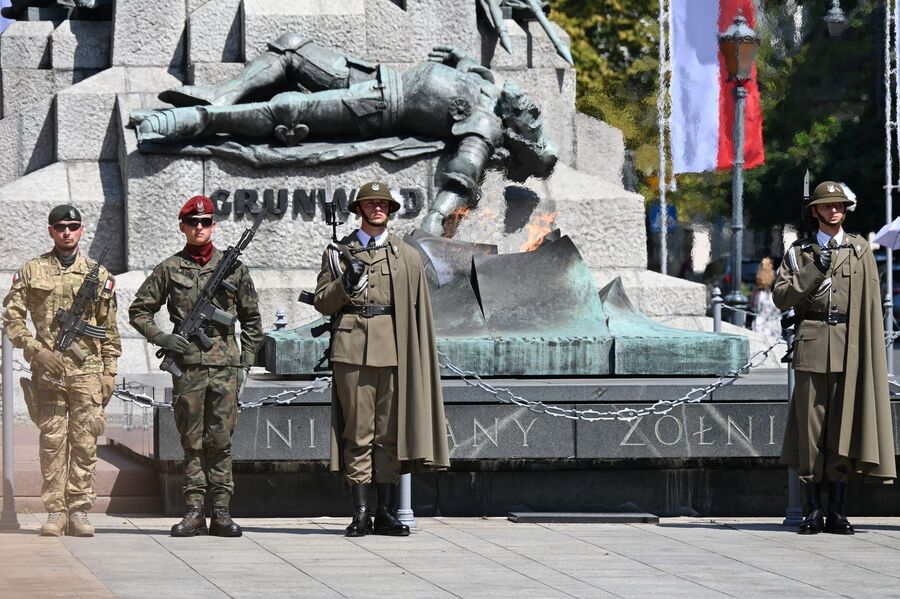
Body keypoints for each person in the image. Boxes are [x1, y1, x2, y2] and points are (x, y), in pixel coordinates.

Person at [133, 37, 557, 236]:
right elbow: (470, 65)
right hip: (372, 75)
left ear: (518, 136)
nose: (526, 103)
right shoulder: (488, 87)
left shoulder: (486, 125)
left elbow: (461, 180)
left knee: (287, 110)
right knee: (292, 48)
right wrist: (460, 55)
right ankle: (221, 94)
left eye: (532, 117)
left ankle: (190, 120)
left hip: (375, 109)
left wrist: (431, 226)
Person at [314, 181, 449, 537]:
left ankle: (386, 511)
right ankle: (360, 512)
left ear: (390, 210)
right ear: (359, 209)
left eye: (383, 204)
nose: (377, 209)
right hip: (353, 349)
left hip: (394, 349)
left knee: (389, 434)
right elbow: (322, 301)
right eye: (370, 204)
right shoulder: (338, 251)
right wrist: (346, 283)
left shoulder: (407, 255)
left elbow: (417, 311)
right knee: (358, 433)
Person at [129, 195, 264, 537]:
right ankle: (193, 511)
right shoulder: (170, 268)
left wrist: (245, 363)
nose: (199, 228)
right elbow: (139, 310)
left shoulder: (234, 268)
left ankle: (220, 512)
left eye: (205, 223)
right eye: (193, 223)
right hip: (188, 367)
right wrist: (162, 338)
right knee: (191, 440)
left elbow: (251, 320)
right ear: (183, 227)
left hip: (225, 368)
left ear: (214, 226)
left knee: (221, 439)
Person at [774, 180, 896, 535]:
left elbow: (870, 306)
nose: (834, 211)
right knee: (811, 432)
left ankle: (838, 510)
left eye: (839, 206)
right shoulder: (800, 253)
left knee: (844, 427)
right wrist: (814, 270)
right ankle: (812, 510)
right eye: (827, 206)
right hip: (812, 345)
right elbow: (782, 297)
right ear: (815, 211)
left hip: (850, 348)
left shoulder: (859, 251)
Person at [1, 205, 121, 537]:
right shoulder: (31, 270)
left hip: (88, 372)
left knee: (84, 442)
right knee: (52, 441)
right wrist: (35, 350)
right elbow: (12, 318)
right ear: (51, 231)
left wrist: (110, 372)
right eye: (60, 227)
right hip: (49, 370)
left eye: (72, 226)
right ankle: (56, 512)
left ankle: (79, 512)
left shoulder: (99, 275)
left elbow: (108, 330)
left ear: (81, 230)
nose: (66, 232)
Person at [749, 257, 781, 338]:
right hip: (774, 320)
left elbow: (753, 307)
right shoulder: (775, 276)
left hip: (760, 320)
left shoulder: (759, 277)